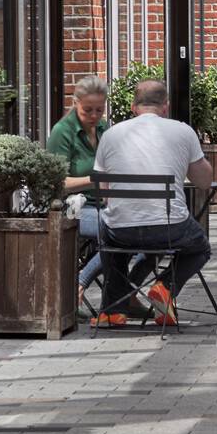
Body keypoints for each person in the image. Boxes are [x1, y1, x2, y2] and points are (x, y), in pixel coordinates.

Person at [91, 79, 213, 327]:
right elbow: (204, 182)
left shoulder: (110, 135)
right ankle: (165, 287)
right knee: (200, 247)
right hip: (169, 230)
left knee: (108, 231)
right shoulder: (183, 131)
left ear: (133, 106)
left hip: (122, 231)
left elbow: (103, 194)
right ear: (165, 107)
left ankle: (113, 311)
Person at [47, 75, 154, 320]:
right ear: (75, 103)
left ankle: (125, 295)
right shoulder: (62, 133)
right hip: (72, 207)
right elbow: (57, 183)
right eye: (87, 110)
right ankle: (79, 285)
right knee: (121, 231)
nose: (94, 116)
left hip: (107, 204)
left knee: (151, 232)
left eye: (99, 109)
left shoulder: (106, 129)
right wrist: (94, 178)